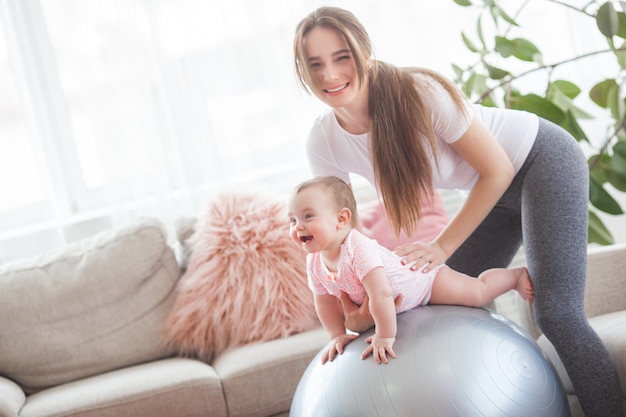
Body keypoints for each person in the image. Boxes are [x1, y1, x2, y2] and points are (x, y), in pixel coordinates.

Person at [292, 6, 623, 417]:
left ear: (364, 52)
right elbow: (345, 238)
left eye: (341, 57)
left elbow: (498, 168)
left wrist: (441, 247)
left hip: (540, 161)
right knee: (450, 300)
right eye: (315, 64)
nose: (329, 75)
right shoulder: (323, 141)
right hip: (490, 193)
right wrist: (357, 305)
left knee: (556, 313)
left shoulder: (419, 92)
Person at [288, 175, 534, 365]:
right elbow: (325, 302)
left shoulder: (357, 249)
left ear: (342, 219)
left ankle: (514, 277)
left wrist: (385, 335)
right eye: (293, 220)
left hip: (423, 281)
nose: (298, 226)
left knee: (476, 293)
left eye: (308, 216)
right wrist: (336, 334)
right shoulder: (315, 262)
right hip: (404, 302)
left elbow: (381, 294)